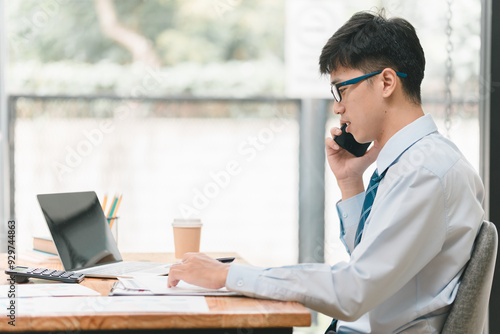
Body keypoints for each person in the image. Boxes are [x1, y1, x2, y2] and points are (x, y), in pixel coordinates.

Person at [167, 10, 484, 333]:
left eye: (342, 89)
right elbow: (370, 263)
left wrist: (228, 276)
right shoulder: (411, 164)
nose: (337, 107)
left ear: (386, 82)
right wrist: (349, 182)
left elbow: (353, 291)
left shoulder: (425, 174)